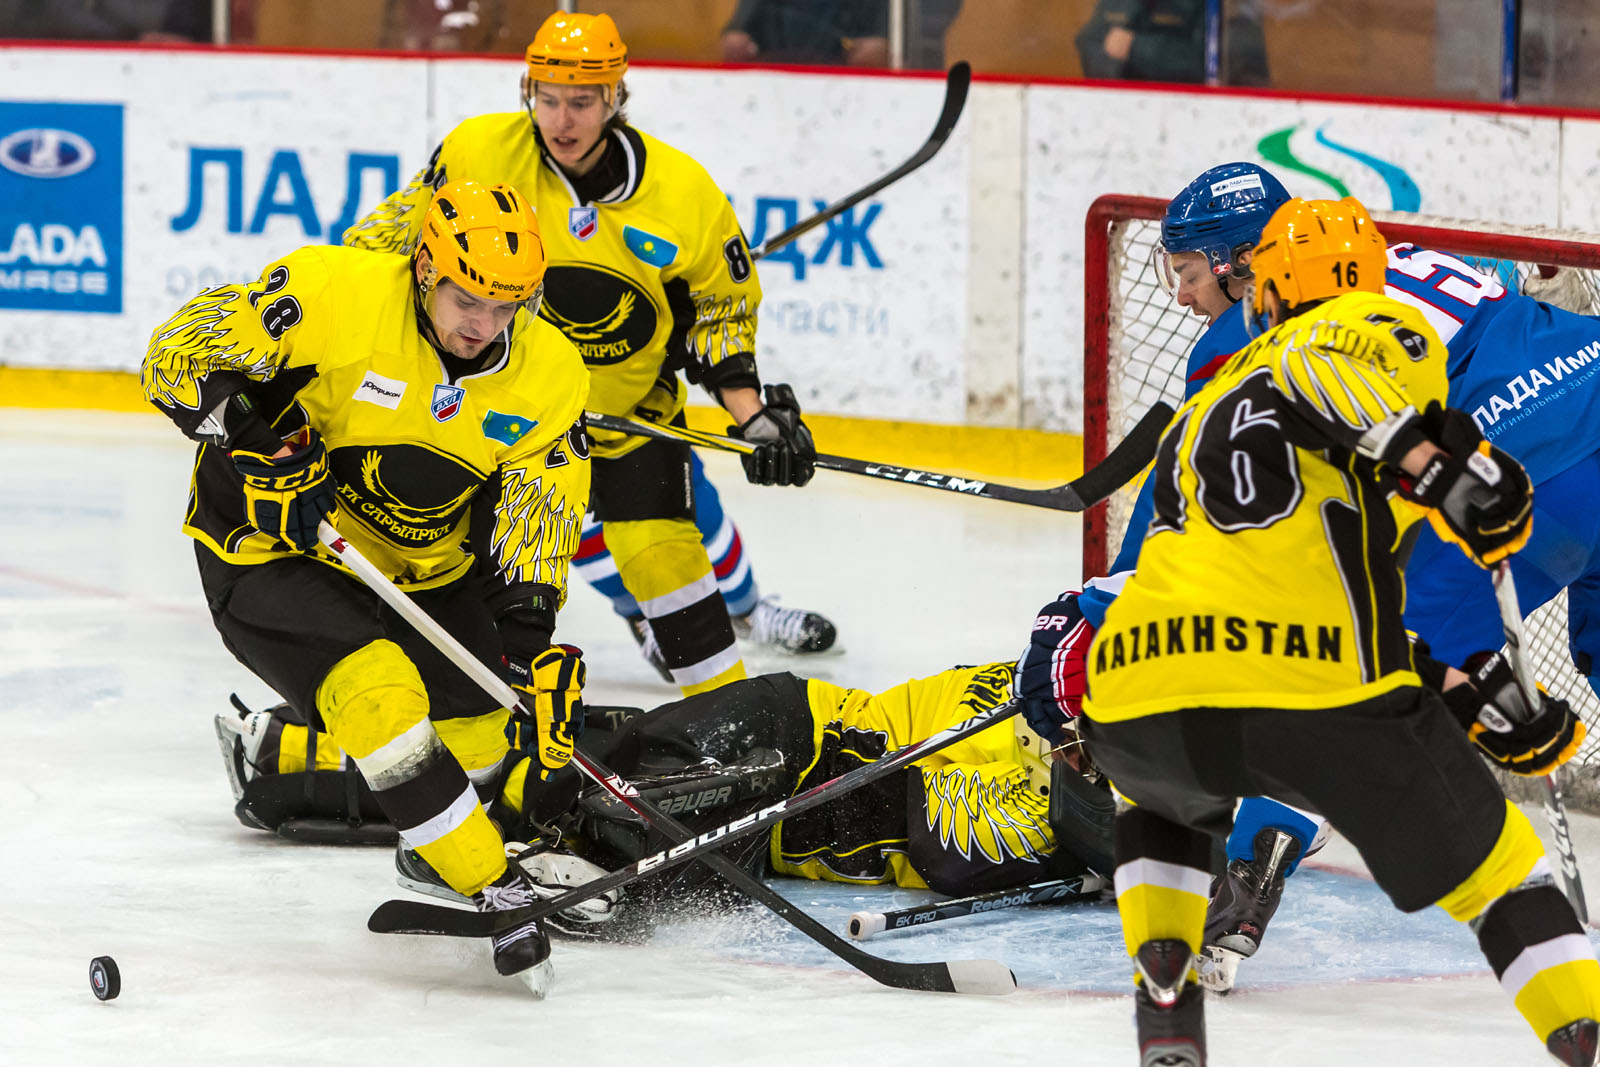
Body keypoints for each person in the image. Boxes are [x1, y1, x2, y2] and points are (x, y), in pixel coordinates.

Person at [1023, 158, 1600, 996]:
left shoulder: (1259, 326)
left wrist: (1103, 607)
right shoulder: (1388, 257)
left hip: (1524, 462)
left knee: (1345, 668)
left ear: (1241, 264)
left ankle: (1251, 873)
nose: (1180, 296)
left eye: (1187, 273)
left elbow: (1193, 499)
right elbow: (1502, 284)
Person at [144, 178, 592, 995]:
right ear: (425, 267)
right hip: (266, 550)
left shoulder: (551, 375)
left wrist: (526, 652)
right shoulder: (333, 291)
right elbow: (176, 354)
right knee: (380, 697)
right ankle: (490, 879)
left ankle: (429, 845)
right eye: (466, 299)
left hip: (421, 568)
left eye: (504, 309)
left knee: (490, 724)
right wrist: (258, 442)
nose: (481, 326)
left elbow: (540, 516)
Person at [344, 11, 835, 697]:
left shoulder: (683, 194)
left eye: (580, 101)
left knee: (667, 553)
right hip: (515, 411)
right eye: (547, 99)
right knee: (515, 551)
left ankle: (734, 709)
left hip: (630, 410)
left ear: (614, 97)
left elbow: (721, 310)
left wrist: (754, 417)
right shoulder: (480, 152)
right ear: (528, 92)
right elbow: (396, 245)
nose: (562, 120)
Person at [215, 658, 1115, 927]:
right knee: (575, 791)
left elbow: (946, 854)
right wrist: (1091, 831)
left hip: (767, 842)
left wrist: (1099, 839)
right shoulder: (1022, 696)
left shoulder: (1069, 773)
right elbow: (931, 826)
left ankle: (293, 772)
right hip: (783, 742)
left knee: (583, 783)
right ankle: (300, 754)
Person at [1074, 0, 1268, 86]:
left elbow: (1220, 67)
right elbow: (1089, 41)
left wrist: (1136, 48)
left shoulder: (1221, 5)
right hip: (1125, 112)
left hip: (1199, 116)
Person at [720, 0, 889, 67]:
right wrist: (735, 40)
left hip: (848, 88)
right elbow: (735, 35)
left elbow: (885, 44)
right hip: (773, 85)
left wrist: (882, 46)